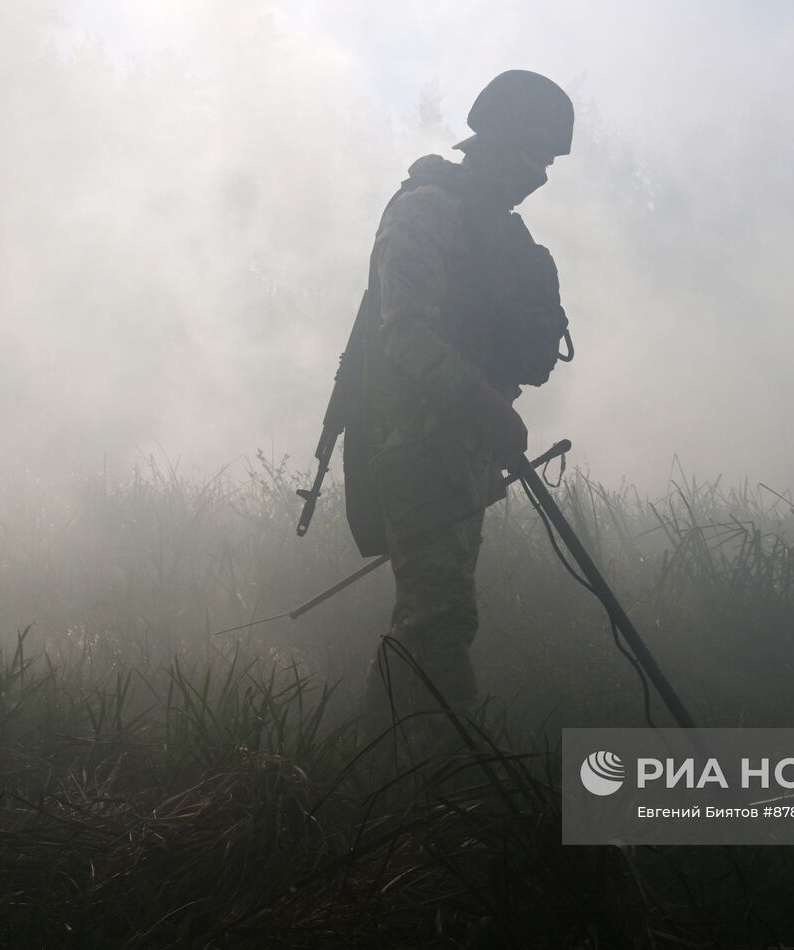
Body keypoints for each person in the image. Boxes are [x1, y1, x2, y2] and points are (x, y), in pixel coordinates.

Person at [346, 70, 574, 742]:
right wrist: (482, 402)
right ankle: (421, 773)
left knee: (436, 614)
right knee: (437, 619)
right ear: (495, 138)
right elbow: (404, 329)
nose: (540, 173)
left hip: (462, 448)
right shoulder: (427, 209)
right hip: (415, 446)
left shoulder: (496, 229)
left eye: (549, 161)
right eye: (534, 154)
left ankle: (394, 764)